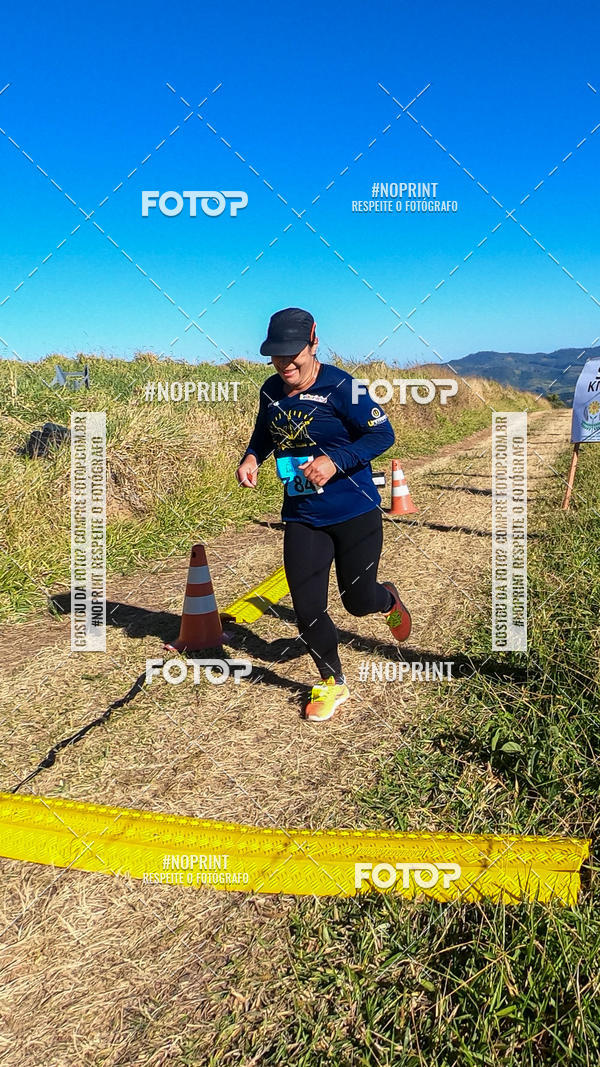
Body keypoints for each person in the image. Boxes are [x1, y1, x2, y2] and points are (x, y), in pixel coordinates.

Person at [236, 307, 411, 722]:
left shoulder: (343, 387)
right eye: (276, 356)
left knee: (357, 601)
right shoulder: (270, 390)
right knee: (306, 606)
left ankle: (387, 599)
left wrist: (334, 461)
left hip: (354, 512)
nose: (285, 363)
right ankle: (332, 682)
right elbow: (264, 432)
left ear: (314, 344)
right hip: (303, 514)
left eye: (293, 353)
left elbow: (382, 434)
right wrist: (251, 456)